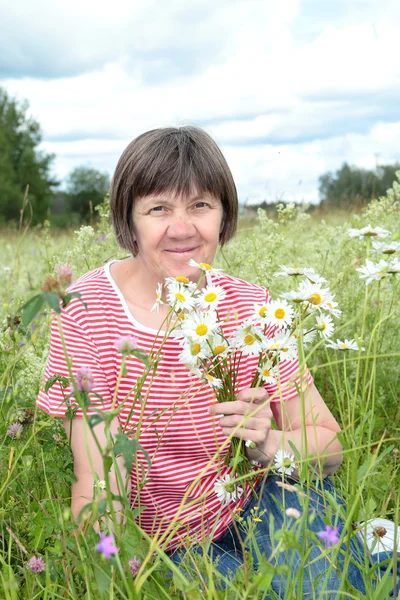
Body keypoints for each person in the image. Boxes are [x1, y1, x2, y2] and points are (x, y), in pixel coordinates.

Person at [36, 126, 399, 598]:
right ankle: (375, 556)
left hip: (268, 495)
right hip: (170, 539)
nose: (182, 228)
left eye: (201, 205)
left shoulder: (255, 308)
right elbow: (100, 482)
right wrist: (105, 575)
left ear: (224, 215)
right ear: (128, 221)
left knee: (318, 592)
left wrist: (267, 443)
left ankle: (362, 559)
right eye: (159, 208)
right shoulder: (85, 311)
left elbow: (329, 449)